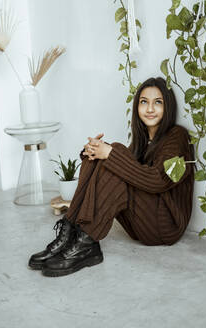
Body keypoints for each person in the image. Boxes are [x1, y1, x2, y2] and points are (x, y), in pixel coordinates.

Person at [28, 77, 195, 277]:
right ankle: (71, 233)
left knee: (114, 152)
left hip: (165, 226)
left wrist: (110, 153)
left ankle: (85, 242)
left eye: (157, 102)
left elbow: (157, 181)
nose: (150, 108)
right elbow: (127, 174)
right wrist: (92, 154)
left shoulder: (177, 136)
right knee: (103, 156)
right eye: (144, 102)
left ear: (168, 106)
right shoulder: (142, 139)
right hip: (141, 224)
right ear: (137, 107)